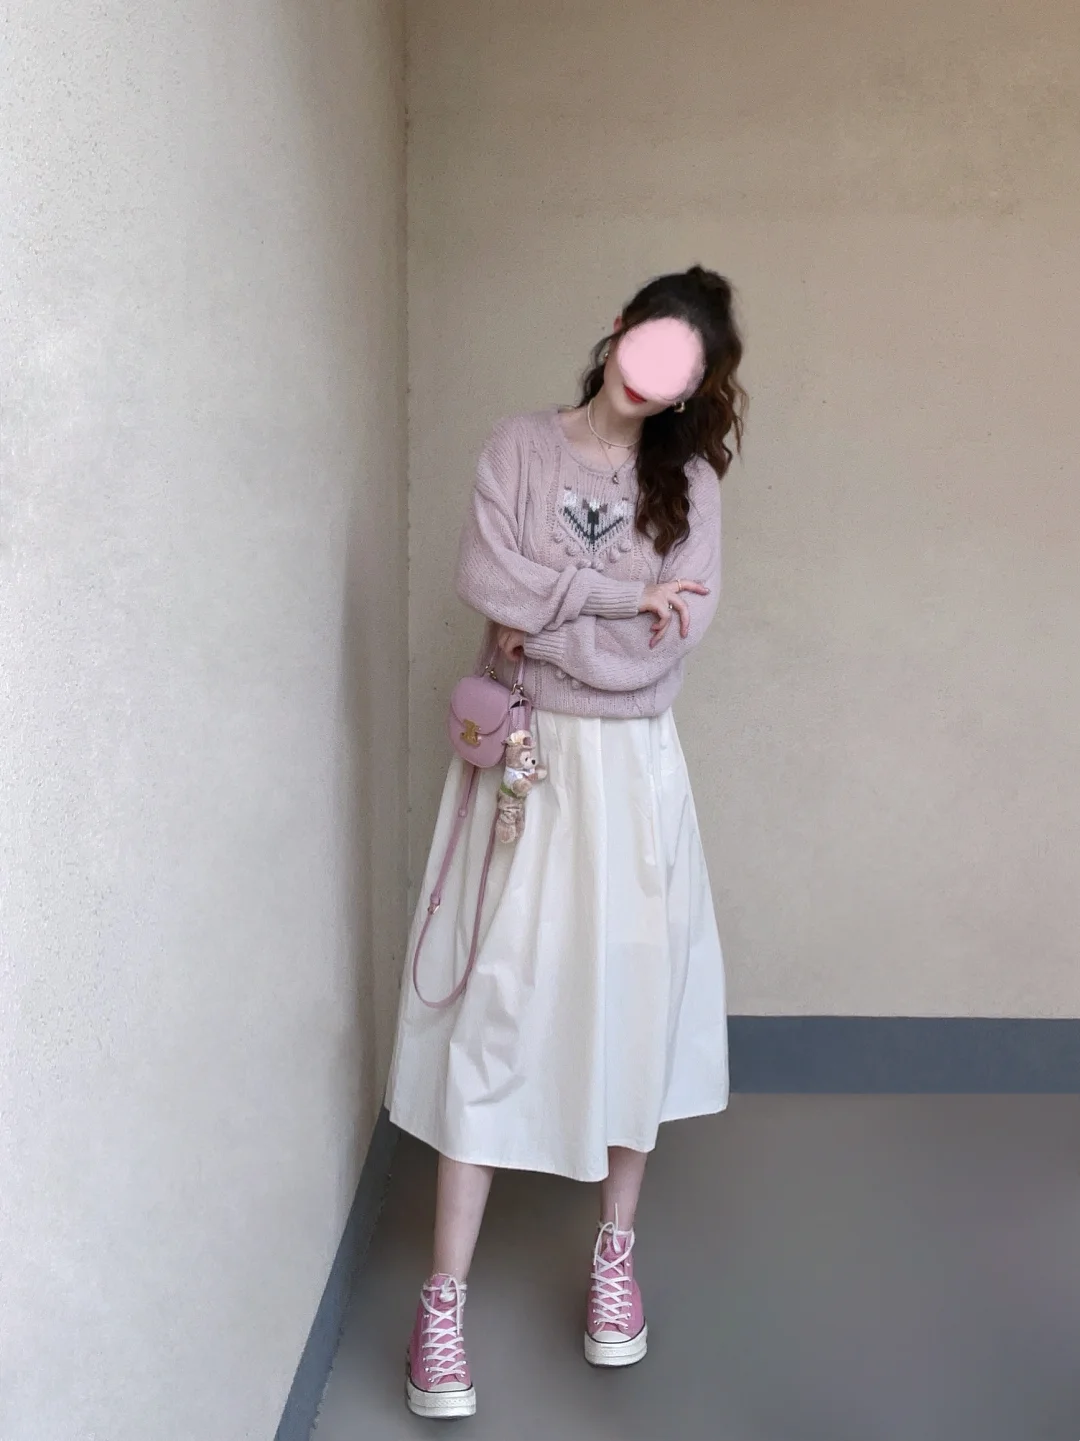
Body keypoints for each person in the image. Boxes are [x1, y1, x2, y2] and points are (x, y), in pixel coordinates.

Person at [386, 265, 747, 1420]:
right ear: (619, 329)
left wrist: (553, 612)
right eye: (654, 343)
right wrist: (618, 599)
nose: (659, 375)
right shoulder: (520, 448)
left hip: (635, 771)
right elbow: (487, 587)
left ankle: (613, 1256)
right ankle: (442, 1298)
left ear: (693, 386)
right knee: (496, 1003)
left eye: (685, 369)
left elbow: (664, 651)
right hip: (528, 766)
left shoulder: (690, 484)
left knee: (635, 998)